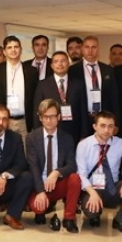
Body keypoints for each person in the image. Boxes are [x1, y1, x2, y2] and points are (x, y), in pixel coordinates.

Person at [76, 111, 122, 234]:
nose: (107, 130)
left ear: (114, 128)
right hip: (92, 189)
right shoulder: (83, 145)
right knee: (92, 212)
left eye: (110, 126)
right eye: (102, 126)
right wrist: (92, 193)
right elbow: (81, 175)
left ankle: (120, 219)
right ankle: (95, 214)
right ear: (94, 126)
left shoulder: (120, 143)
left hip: (112, 188)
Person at [26, 99, 81, 233]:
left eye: (52, 116)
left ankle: (69, 218)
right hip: (39, 184)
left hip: (57, 184)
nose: (49, 120)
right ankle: (42, 210)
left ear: (59, 117)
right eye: (45, 116)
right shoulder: (32, 138)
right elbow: (33, 168)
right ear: (40, 118)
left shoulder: (67, 138)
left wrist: (56, 172)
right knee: (38, 207)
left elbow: (72, 165)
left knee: (75, 178)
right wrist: (40, 191)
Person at [0, 35, 39, 139]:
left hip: (24, 122)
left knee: (24, 149)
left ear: (21, 50)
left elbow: (35, 98)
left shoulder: (31, 71)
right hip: (3, 121)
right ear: (4, 51)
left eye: (16, 47)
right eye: (9, 47)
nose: (13, 50)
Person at [33, 51, 88, 142]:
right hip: (50, 130)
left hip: (74, 131)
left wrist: (84, 134)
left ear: (68, 63)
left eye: (63, 61)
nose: (60, 64)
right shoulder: (43, 85)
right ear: (52, 65)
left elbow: (83, 110)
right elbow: (37, 111)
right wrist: (38, 133)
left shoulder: (78, 84)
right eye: (56, 61)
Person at [69, 36, 120, 133]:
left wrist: (116, 122)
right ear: (82, 49)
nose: (90, 51)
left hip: (104, 118)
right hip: (82, 119)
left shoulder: (108, 70)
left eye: (93, 47)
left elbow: (114, 97)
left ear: (98, 49)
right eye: (87, 47)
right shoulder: (73, 70)